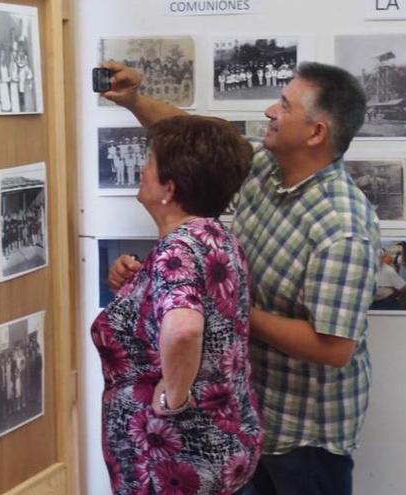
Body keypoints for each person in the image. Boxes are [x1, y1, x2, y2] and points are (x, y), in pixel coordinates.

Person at [102, 59, 380, 495]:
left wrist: (232, 312)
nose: (271, 111)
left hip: (302, 437)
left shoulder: (341, 225)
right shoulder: (267, 169)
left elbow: (334, 347)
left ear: (316, 133)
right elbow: (195, 136)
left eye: (284, 106)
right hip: (240, 415)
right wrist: (134, 101)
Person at [91, 115, 261, 494]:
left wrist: (172, 397)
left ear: (169, 187)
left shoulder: (178, 250)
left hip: (173, 458)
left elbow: (184, 329)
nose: (141, 168)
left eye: (149, 162)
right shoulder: (216, 236)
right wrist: (136, 283)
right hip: (221, 443)